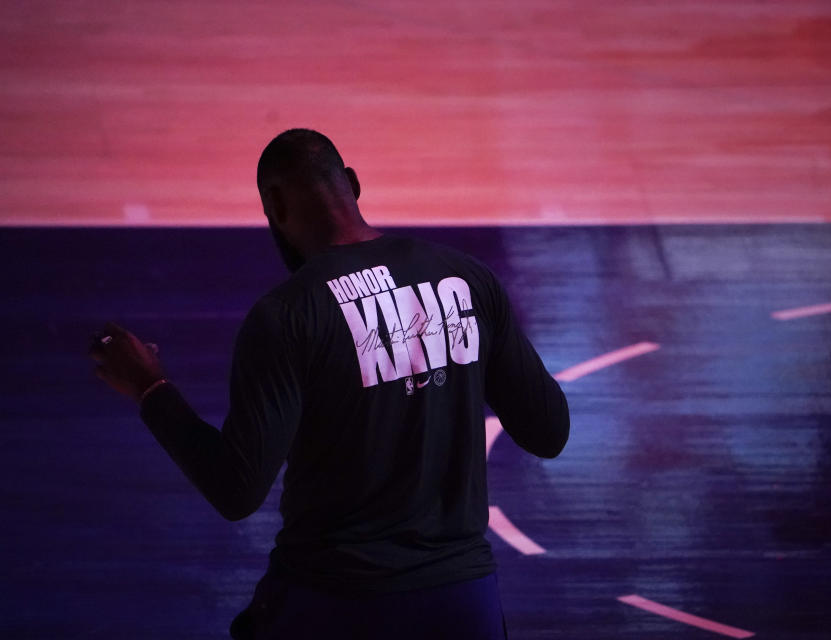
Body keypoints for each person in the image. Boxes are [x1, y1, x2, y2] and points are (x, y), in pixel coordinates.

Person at [87, 128, 570, 639]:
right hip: (464, 603)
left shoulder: (286, 315)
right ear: (354, 184)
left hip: (336, 603)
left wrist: (151, 389)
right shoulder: (468, 279)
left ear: (273, 204)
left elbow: (236, 490)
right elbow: (549, 432)